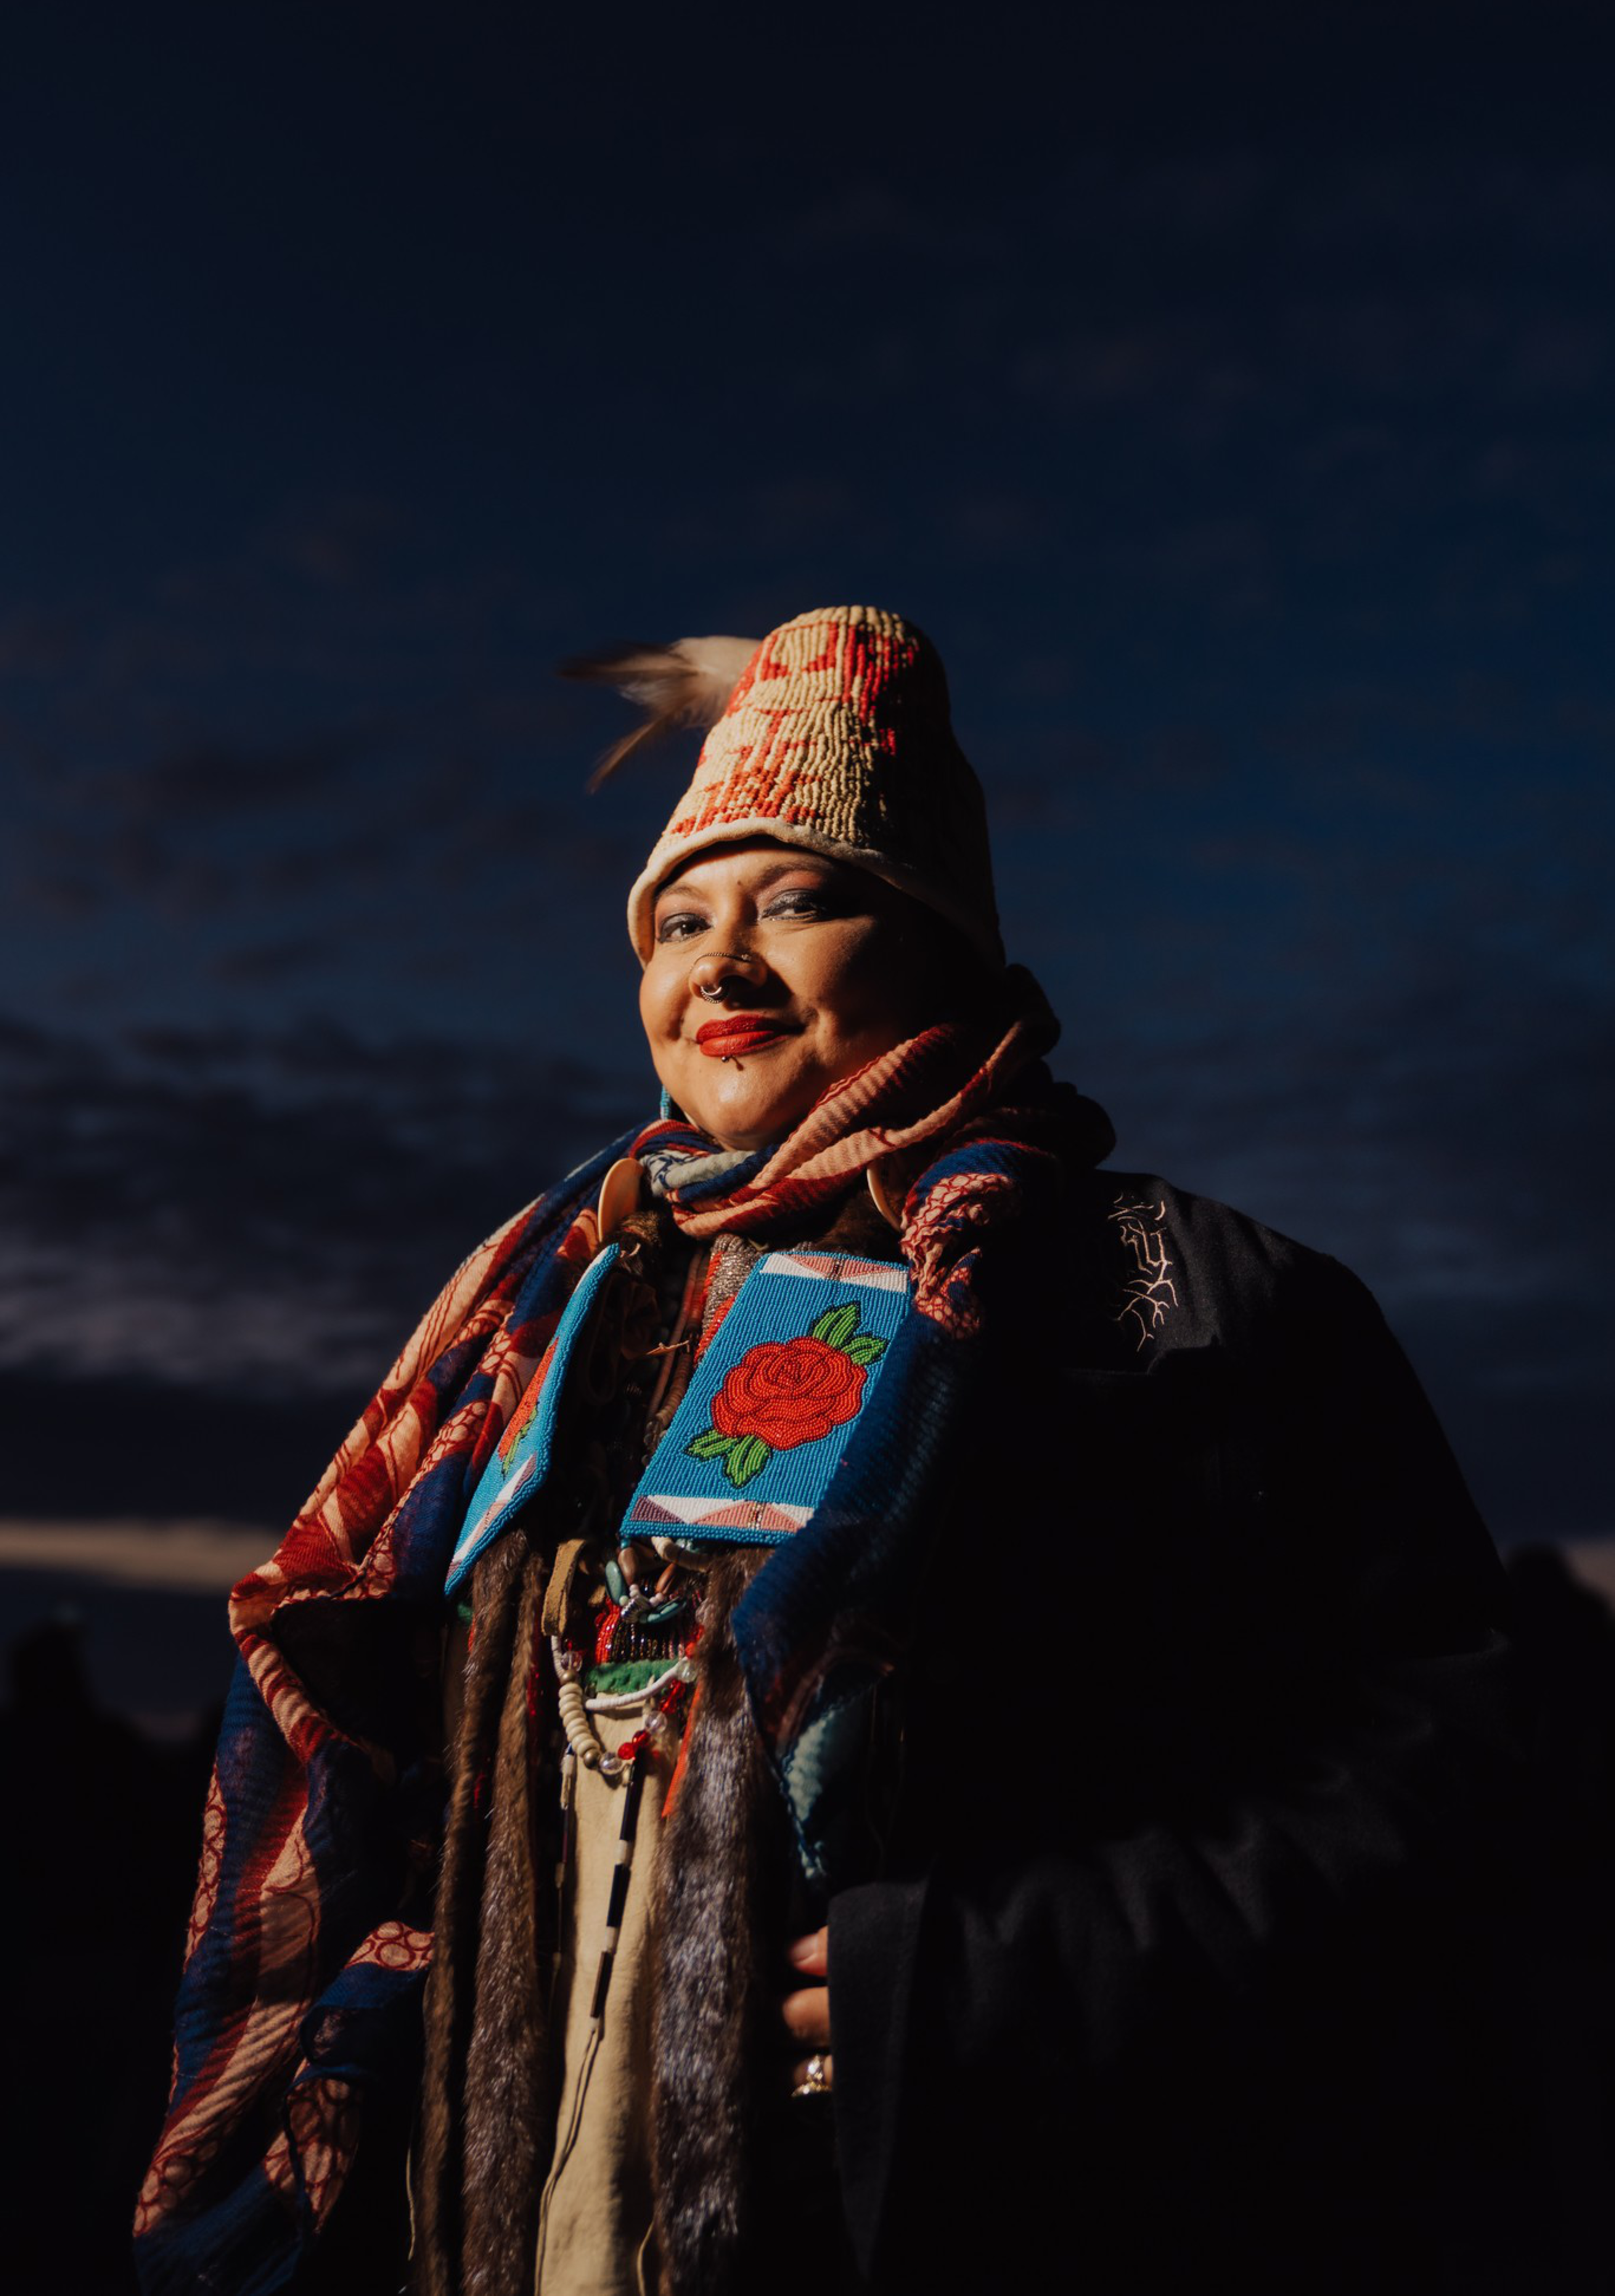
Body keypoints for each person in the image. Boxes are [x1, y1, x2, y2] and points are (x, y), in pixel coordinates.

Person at [135, 606, 1526, 2296]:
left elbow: (1460, 1783)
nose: (718, 965)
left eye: (798, 898)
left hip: (978, 2209)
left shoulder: (1182, 1305)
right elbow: (373, 1718)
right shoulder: (543, 1315)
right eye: (677, 920)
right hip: (522, 2218)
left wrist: (978, 1971)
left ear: (939, 940)